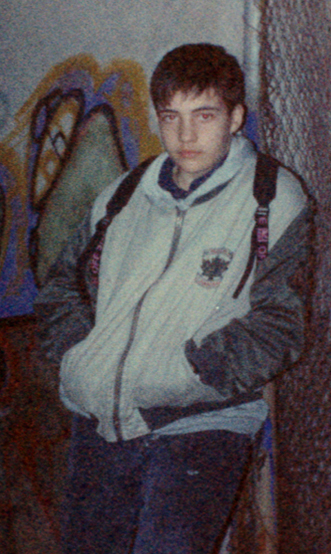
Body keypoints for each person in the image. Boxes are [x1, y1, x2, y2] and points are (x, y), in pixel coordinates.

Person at [33, 43, 313, 554]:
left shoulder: (272, 199)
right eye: (171, 117)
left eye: (204, 116)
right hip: (100, 420)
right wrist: (81, 356)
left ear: (235, 118)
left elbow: (280, 323)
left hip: (201, 422)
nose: (186, 136)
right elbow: (61, 287)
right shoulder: (124, 195)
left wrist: (192, 371)